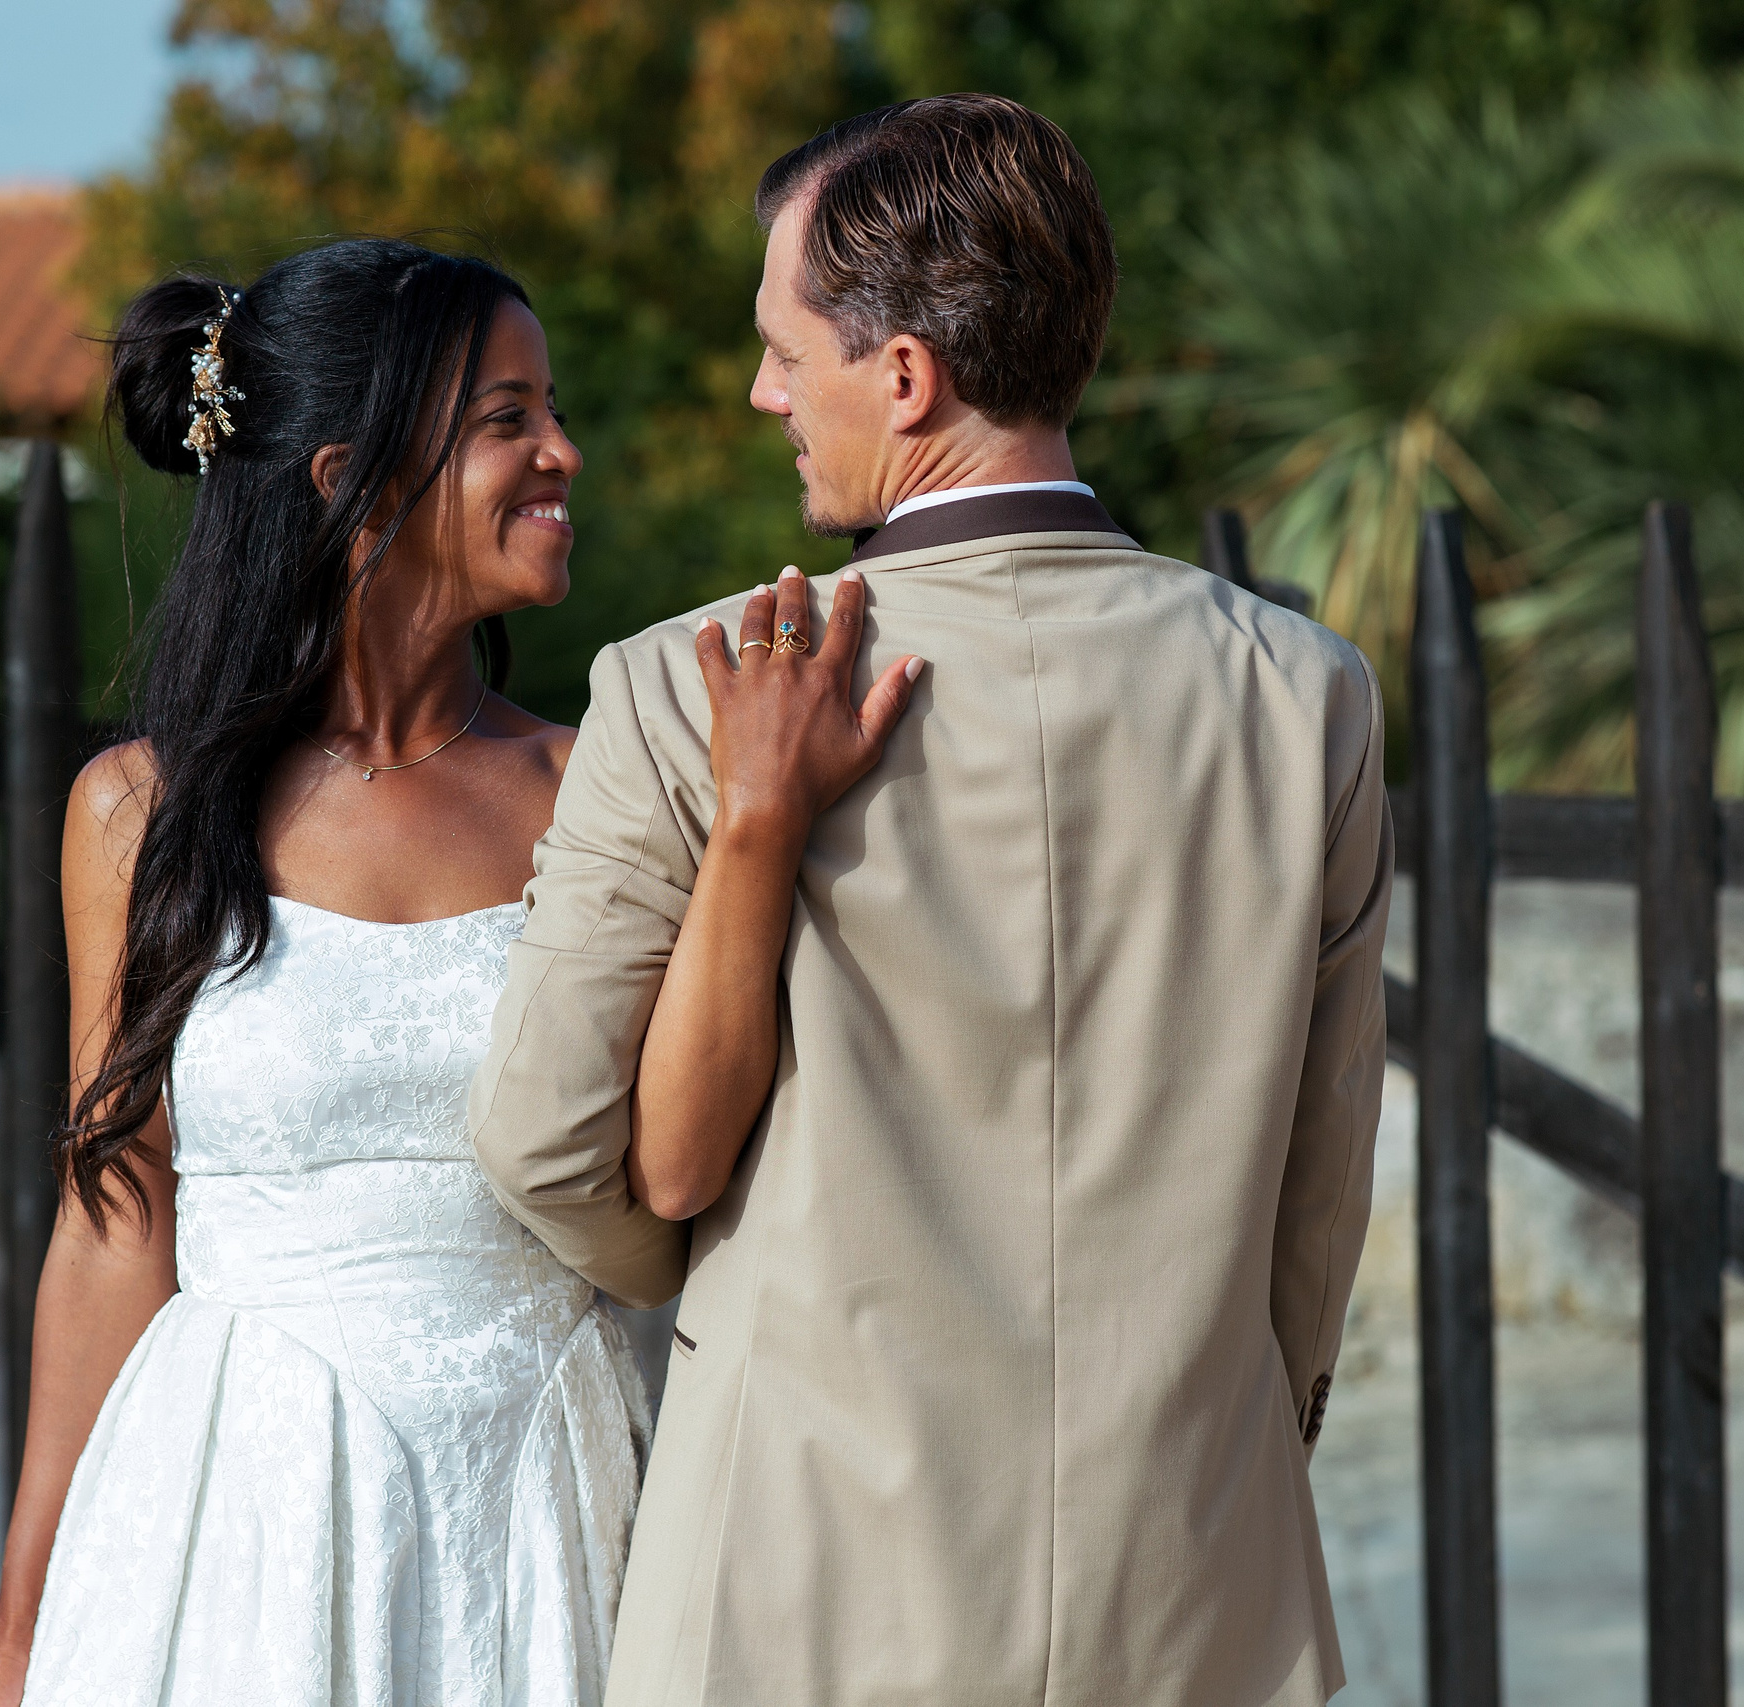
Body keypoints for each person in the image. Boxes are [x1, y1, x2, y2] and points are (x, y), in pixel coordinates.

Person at [468, 94, 1393, 1707]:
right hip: (1191, 1574)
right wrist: (1232, 1443)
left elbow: (555, 1143)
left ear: (905, 377)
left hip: (792, 1572)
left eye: (783, 348)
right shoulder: (1304, 694)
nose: (763, 390)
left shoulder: (687, 690)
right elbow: (1319, 1190)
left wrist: (690, 1289)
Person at [0, 237, 915, 1707]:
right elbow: (113, 1224)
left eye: (551, 407)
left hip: (539, 1496)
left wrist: (757, 823)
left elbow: (683, 1162)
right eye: (507, 419)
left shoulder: (602, 785)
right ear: (347, 477)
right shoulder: (139, 813)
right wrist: (20, 1630)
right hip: (238, 1508)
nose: (563, 452)